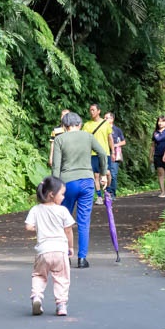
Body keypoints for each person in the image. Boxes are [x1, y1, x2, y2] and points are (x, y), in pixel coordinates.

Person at [53, 111, 109, 268]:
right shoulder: (88, 136)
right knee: (84, 221)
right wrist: (103, 174)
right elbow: (103, 154)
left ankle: (64, 256)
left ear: (65, 126)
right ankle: (82, 258)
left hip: (67, 183)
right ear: (79, 124)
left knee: (64, 220)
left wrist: (55, 188)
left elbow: (56, 167)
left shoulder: (60, 139)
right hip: (87, 182)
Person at [25, 176, 75, 316]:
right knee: (61, 277)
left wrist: (40, 227)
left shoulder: (36, 209)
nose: (64, 197)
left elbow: (28, 227)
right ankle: (61, 305)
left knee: (39, 275)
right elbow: (68, 230)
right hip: (60, 250)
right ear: (52, 194)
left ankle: (36, 297)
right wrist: (70, 247)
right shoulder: (62, 211)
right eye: (62, 194)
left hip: (43, 251)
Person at [82, 104, 114, 206]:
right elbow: (84, 140)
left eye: (93, 110)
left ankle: (107, 192)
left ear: (98, 111)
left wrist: (113, 152)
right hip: (92, 153)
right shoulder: (87, 125)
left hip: (105, 153)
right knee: (96, 175)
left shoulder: (106, 124)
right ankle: (99, 196)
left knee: (107, 173)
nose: (91, 112)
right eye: (90, 110)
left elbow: (110, 138)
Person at [105, 112, 126, 197]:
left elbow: (124, 141)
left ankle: (112, 193)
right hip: (104, 153)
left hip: (113, 154)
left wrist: (115, 145)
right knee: (105, 174)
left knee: (113, 174)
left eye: (107, 118)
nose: (105, 119)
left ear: (112, 119)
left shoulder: (117, 130)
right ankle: (107, 193)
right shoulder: (102, 129)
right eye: (104, 118)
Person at [153, 116, 165, 197]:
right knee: (161, 173)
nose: (160, 123)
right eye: (159, 121)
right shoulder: (155, 133)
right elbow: (153, 145)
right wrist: (150, 156)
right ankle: (162, 192)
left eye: (162, 121)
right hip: (158, 155)